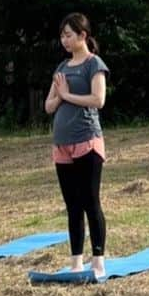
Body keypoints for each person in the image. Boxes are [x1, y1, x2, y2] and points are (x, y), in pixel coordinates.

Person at [44, 14, 110, 279]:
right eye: (62, 36)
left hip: (87, 141)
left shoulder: (94, 64)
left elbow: (98, 99)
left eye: (69, 35)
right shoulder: (61, 67)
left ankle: (98, 259)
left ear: (83, 35)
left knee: (90, 201)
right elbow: (48, 106)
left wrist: (67, 95)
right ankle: (76, 261)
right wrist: (60, 96)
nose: (64, 40)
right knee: (72, 205)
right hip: (62, 144)